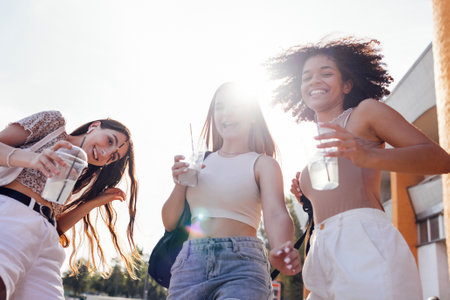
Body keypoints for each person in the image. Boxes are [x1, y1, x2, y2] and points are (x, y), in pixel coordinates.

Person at [267, 37, 450, 300]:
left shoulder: (365, 113)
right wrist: (305, 195)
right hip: (320, 258)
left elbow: (440, 160)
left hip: (365, 248)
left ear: (347, 84)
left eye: (326, 73)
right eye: (306, 77)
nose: (314, 81)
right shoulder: (314, 151)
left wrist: (367, 156)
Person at [162, 82, 301, 299]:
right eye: (220, 107)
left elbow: (276, 213)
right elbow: (170, 222)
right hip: (190, 263)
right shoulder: (198, 162)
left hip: (242, 265)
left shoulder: (263, 164)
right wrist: (179, 182)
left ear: (252, 115)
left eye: (237, 106)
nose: (227, 113)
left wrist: (282, 247)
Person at [0, 110, 138, 300]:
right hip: (12, 215)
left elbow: (55, 228)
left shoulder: (79, 176)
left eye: (113, 157)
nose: (106, 153)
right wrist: (33, 159)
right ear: (94, 127)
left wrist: (91, 204)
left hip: (46, 242)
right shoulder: (54, 125)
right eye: (109, 141)